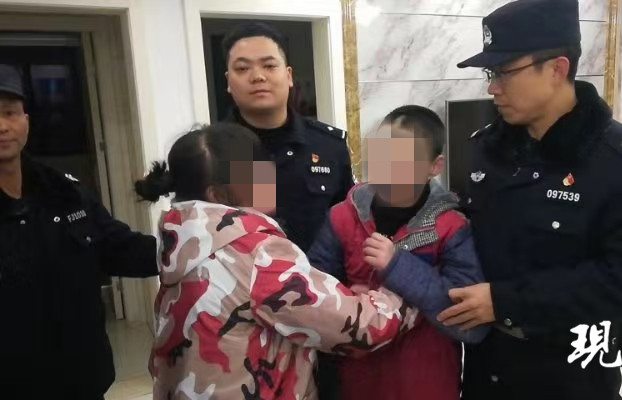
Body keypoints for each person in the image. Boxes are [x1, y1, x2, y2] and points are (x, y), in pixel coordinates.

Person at [436, 1, 622, 399]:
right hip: (487, 368)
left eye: (504, 72)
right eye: (490, 74)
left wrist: (507, 301)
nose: (492, 87)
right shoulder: (487, 149)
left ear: (556, 69)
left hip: (570, 376)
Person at [136, 122, 419, 400]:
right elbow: (360, 327)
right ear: (218, 195)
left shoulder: (180, 241)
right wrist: (406, 286)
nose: (269, 177)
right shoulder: (255, 254)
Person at [307, 105, 489, 400]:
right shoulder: (342, 217)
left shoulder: (452, 227)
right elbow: (312, 294)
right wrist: (351, 299)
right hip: (356, 385)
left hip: (427, 386)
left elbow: (471, 326)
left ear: (434, 166)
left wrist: (397, 266)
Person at [0, 64, 158, 398]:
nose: (2, 126)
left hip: (81, 379)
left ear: (25, 119)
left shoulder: (63, 190)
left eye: (9, 113)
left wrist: (190, 249)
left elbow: (117, 247)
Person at [221, 22, 354, 252]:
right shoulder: (211, 151)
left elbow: (349, 226)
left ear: (289, 75)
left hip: (319, 273)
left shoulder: (328, 145)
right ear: (228, 82)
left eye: (269, 65)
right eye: (242, 68)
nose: (258, 76)